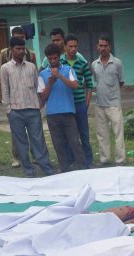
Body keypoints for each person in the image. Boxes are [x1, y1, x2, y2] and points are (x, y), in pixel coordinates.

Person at [0, 37, 55, 177]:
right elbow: (5, 90)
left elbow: (38, 86)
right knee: (21, 143)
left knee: (38, 140)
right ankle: (28, 171)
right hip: (15, 111)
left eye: (23, 48)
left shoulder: (31, 66)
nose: (21, 51)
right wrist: (8, 109)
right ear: (11, 49)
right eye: (18, 49)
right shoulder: (5, 68)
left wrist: (40, 103)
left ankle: (46, 168)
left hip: (32, 109)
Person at [38, 43, 85, 172]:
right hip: (52, 114)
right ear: (47, 58)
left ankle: (82, 166)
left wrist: (60, 76)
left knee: (74, 141)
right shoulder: (42, 74)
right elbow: (43, 96)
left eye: (55, 58)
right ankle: (64, 167)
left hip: (68, 112)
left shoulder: (68, 69)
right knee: (58, 144)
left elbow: (75, 86)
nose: (52, 61)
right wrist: (50, 83)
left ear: (59, 57)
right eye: (50, 58)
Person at [0, 26, 36, 168]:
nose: (20, 39)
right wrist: (8, 86)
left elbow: (34, 73)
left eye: (22, 37)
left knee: (34, 132)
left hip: (28, 98)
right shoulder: (4, 53)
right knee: (16, 133)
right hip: (13, 99)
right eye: (17, 36)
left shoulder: (30, 54)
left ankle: (35, 156)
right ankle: (17, 157)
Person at [90, 34, 126, 165]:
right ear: (97, 47)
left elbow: (121, 82)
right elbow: (96, 81)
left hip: (114, 104)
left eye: (105, 46)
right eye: (101, 45)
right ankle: (104, 159)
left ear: (110, 47)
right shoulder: (94, 64)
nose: (103, 48)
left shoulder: (117, 63)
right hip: (99, 104)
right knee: (102, 134)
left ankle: (120, 160)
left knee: (118, 134)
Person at [61, 34, 94, 168]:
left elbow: (89, 85)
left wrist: (86, 104)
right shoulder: (60, 63)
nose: (73, 49)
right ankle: (71, 161)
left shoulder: (82, 64)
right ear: (65, 47)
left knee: (84, 134)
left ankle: (88, 161)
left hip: (80, 104)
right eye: (71, 46)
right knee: (69, 136)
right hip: (66, 105)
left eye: (75, 46)